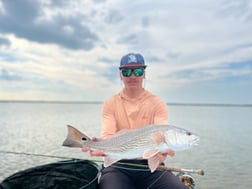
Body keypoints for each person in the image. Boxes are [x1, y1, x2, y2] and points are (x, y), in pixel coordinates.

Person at [82, 53, 187, 189]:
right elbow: (108, 136)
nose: (132, 76)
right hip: (118, 165)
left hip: (151, 167)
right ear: (120, 75)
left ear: (144, 74)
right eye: (126, 72)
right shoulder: (110, 103)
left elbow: (162, 134)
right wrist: (101, 144)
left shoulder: (157, 102)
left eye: (138, 71)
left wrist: (160, 154)